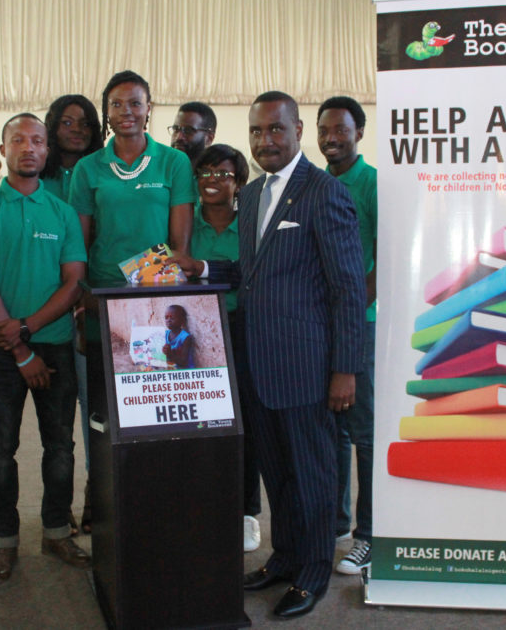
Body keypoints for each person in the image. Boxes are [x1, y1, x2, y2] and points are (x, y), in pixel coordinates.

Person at [170, 91, 366, 619]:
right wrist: (204, 271)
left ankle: (312, 573)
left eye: (276, 130)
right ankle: (284, 558)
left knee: (313, 475)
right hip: (258, 365)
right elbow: (249, 274)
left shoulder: (325, 194)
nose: (265, 141)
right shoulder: (252, 195)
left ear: (299, 129)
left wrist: (345, 369)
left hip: (308, 368)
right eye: (256, 132)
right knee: (277, 474)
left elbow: (348, 288)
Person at [0, 114, 90, 581]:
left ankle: (57, 531)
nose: (29, 148)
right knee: (1, 449)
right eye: (18, 140)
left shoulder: (61, 212)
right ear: (4, 147)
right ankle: (5, 541)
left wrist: (30, 329)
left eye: (38, 140)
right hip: (1, 351)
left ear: (46, 150)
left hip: (54, 347)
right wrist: (18, 348)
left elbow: (74, 281)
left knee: (60, 447)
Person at [68, 70, 196, 508]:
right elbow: (78, 245)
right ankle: (102, 498)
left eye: (136, 103)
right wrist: (84, 299)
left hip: (158, 306)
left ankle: (157, 497)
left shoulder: (173, 163)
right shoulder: (88, 169)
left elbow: (181, 246)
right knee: (103, 410)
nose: (127, 112)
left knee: (155, 404)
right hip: (104, 305)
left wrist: (163, 295)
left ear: (149, 109)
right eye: (118, 104)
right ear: (106, 112)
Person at [189, 143, 263, 552]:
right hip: (196, 333)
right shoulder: (184, 223)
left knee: (244, 424)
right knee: (201, 422)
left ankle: (247, 512)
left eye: (223, 174)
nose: (213, 180)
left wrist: (198, 268)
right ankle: (207, 504)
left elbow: (246, 275)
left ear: (239, 183)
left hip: (241, 328)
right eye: (205, 172)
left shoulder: (252, 222)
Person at [317, 96, 378, 576]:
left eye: (341, 130)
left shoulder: (372, 183)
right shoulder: (315, 184)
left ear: (358, 132)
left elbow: (386, 253)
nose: (332, 138)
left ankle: (369, 536)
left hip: (359, 324)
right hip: (318, 326)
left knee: (363, 431)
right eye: (325, 130)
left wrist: (353, 313)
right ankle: (335, 523)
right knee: (331, 429)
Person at [41, 93, 104, 534]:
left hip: (89, 308)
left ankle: (97, 497)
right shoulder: (36, 178)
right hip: (43, 317)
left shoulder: (103, 172)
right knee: (56, 426)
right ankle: (55, 516)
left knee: (94, 414)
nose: (77, 130)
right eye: (67, 122)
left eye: (85, 123)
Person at [162, 305, 194, 369]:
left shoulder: (185, 337)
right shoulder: (165, 334)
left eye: (172, 318)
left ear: (182, 320)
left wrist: (170, 354)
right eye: (166, 317)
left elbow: (183, 362)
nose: (168, 320)